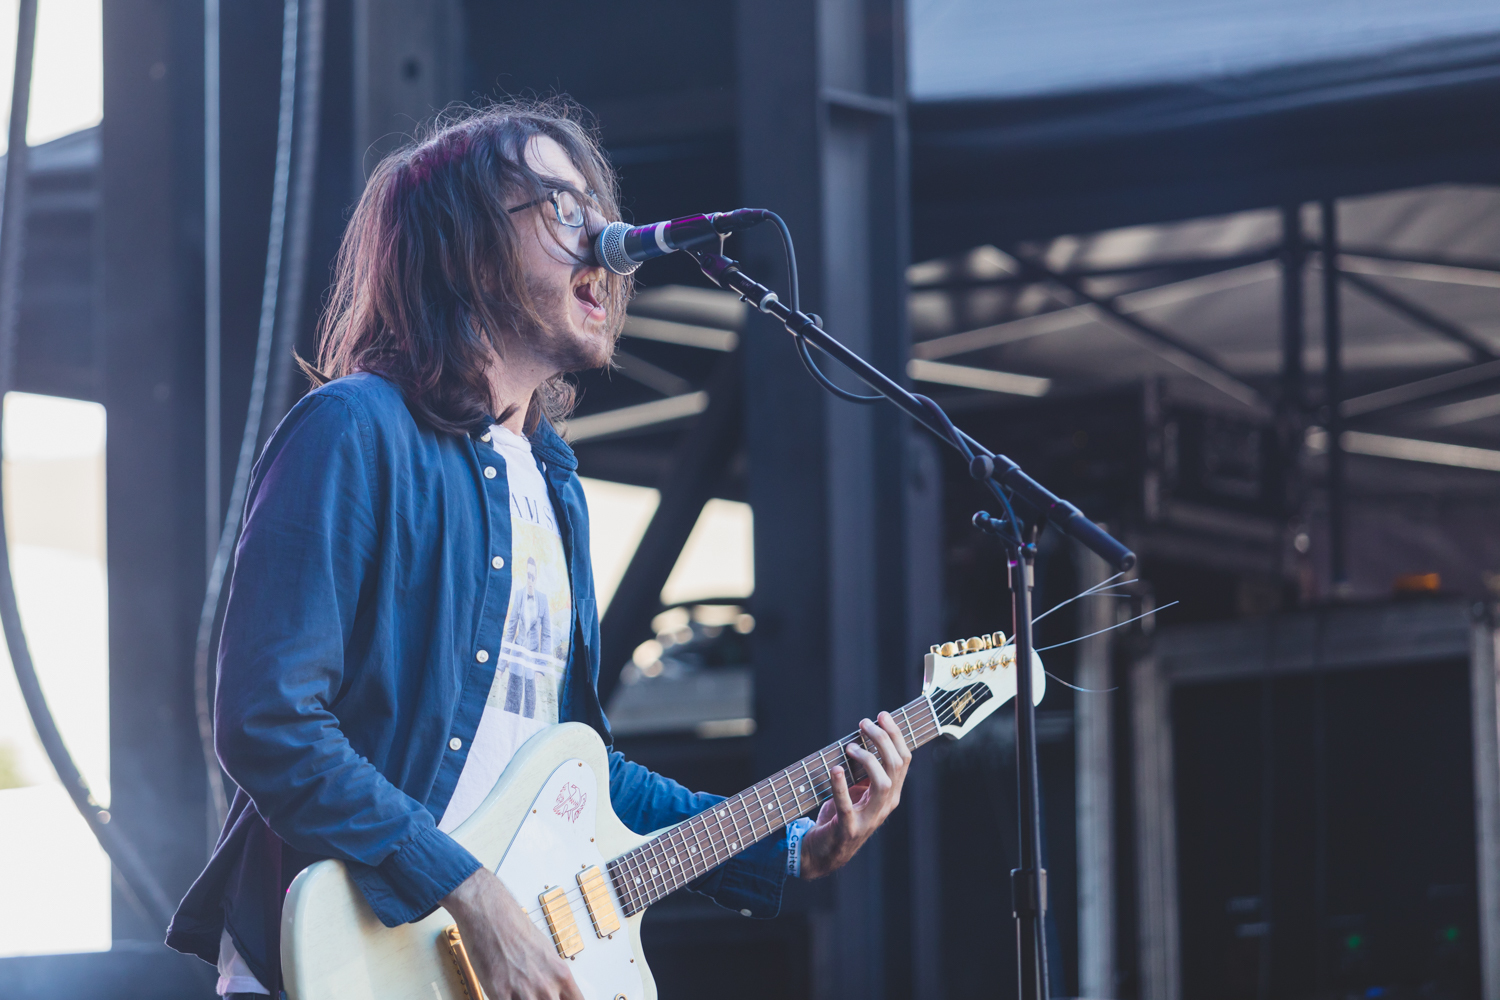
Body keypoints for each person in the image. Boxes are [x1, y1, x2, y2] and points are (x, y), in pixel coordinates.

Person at [165, 99, 912, 1000]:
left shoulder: (554, 483)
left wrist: (791, 847)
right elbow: (270, 723)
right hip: (351, 965)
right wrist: (473, 895)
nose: (605, 239)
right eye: (563, 208)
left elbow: (580, 775)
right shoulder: (354, 428)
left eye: (598, 205)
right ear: (467, 247)